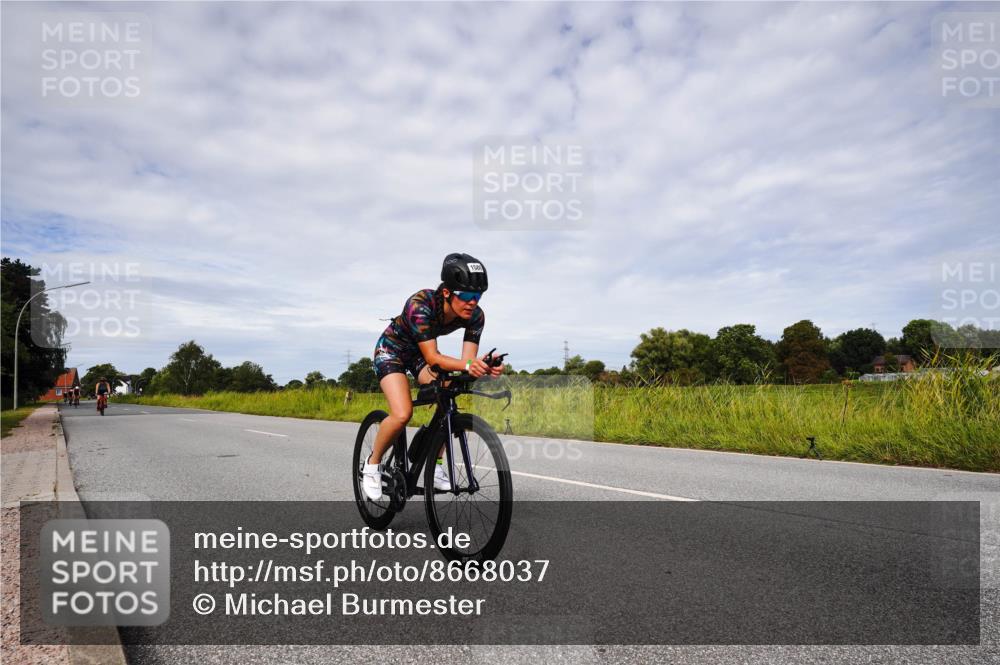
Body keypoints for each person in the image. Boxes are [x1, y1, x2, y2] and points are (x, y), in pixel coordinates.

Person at [363, 253, 503, 500]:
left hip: (419, 354)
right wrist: (470, 365)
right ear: (447, 293)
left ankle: (435, 464)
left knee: (450, 393)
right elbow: (433, 358)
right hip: (392, 350)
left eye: (478, 296)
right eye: (467, 296)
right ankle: (372, 465)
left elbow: (466, 363)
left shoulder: (476, 316)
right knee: (403, 413)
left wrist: (483, 368)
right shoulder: (421, 304)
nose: (473, 303)